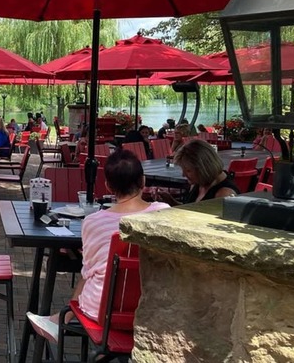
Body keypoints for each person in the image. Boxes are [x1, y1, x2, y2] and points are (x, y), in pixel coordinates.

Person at [27, 149, 170, 341]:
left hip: (102, 309)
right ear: (143, 181)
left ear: (108, 187)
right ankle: (60, 321)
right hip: (152, 308)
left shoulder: (94, 222)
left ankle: (60, 320)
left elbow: (89, 271)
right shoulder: (164, 213)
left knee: (92, 273)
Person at [156, 139, 239, 205]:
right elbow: (191, 209)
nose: (183, 174)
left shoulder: (223, 194)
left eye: (188, 170)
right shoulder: (199, 182)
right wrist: (171, 202)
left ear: (204, 168)